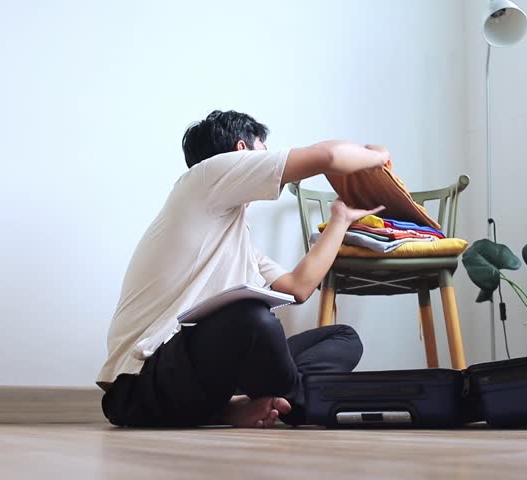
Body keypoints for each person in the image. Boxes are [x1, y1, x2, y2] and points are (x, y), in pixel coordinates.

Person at [97, 109, 387, 428]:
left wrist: (340, 220)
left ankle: (241, 407)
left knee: (343, 337)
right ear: (241, 152)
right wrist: (377, 156)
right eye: (263, 150)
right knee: (251, 318)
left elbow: (298, 287)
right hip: (139, 385)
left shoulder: (234, 239)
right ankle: (304, 403)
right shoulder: (205, 177)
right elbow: (329, 156)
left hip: (190, 382)